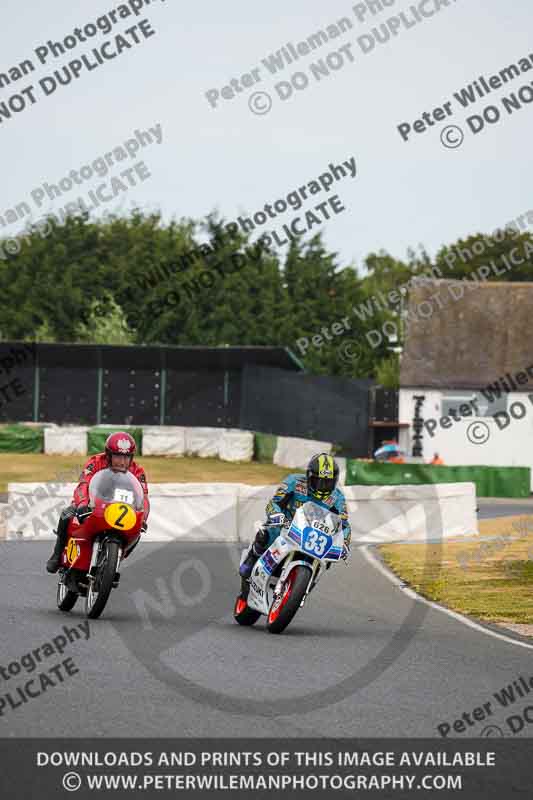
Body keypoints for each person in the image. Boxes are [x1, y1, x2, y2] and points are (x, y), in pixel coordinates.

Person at [46, 431, 149, 574]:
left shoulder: (138, 471)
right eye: (118, 456)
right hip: (93, 504)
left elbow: (143, 497)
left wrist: (142, 517)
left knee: (137, 534)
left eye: (127, 457)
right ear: (108, 454)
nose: (122, 461)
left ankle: (114, 560)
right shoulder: (95, 462)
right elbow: (83, 484)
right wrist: (82, 504)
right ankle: (57, 555)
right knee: (66, 515)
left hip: (121, 511)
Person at [239, 453, 351, 578]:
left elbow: (345, 525)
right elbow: (274, 503)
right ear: (309, 476)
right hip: (287, 526)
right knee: (266, 533)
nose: (322, 487)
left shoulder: (337, 497)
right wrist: (277, 515)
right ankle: (253, 556)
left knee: (327, 560)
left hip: (313, 536)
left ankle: (308, 581)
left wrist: (345, 543)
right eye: (318, 481)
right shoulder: (294, 481)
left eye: (327, 483)